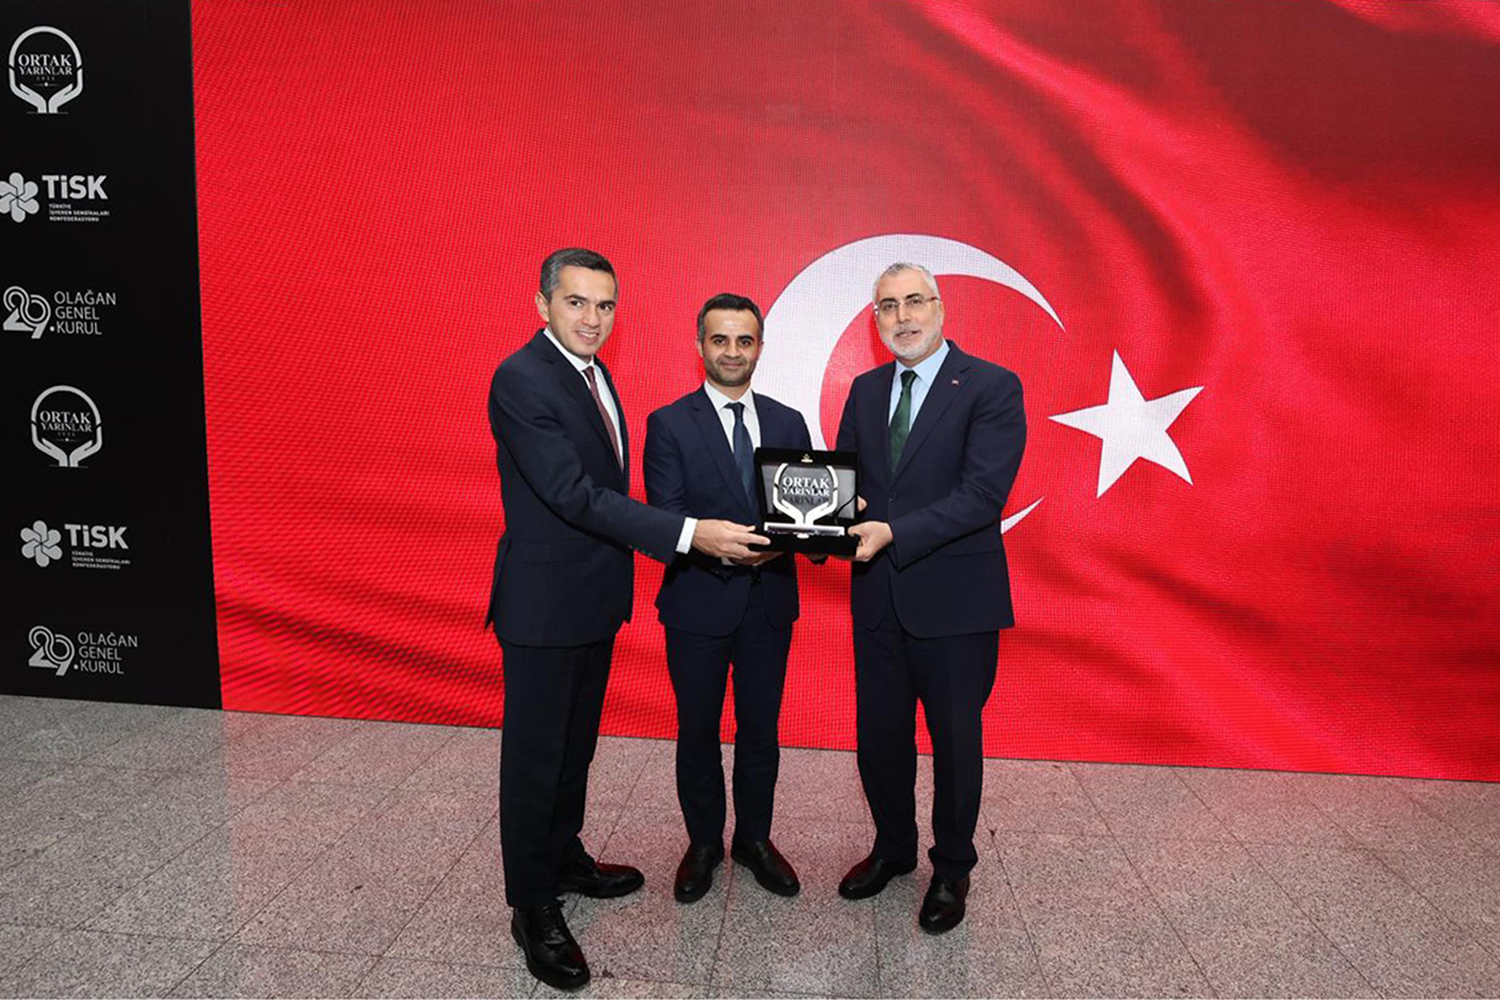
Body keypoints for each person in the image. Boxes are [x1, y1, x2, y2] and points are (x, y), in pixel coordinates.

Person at [487, 249, 766, 990]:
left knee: (574, 749)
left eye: (605, 306)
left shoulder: (594, 374)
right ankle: (531, 905)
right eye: (577, 302)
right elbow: (572, 494)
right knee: (535, 760)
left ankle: (564, 857)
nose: (593, 319)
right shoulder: (521, 378)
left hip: (593, 601)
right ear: (542, 304)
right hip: (543, 606)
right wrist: (689, 534)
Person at [835, 262, 1026, 933]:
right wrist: (825, 518)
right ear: (876, 320)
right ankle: (893, 849)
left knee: (954, 741)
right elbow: (848, 483)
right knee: (880, 739)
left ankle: (951, 868)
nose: (903, 316)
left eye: (914, 301)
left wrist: (893, 531)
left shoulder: (992, 386)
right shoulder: (864, 390)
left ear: (940, 308)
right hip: (878, 599)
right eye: (888, 306)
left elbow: (982, 495)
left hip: (955, 600)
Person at [642, 293, 813, 905]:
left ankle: (755, 840)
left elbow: (807, 512)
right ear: (700, 346)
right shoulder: (668, 423)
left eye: (744, 340)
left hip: (769, 603)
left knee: (761, 729)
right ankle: (704, 844)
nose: (732, 352)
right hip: (697, 603)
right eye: (720, 340)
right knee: (698, 730)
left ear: (760, 347)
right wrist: (724, 549)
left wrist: (827, 530)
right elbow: (666, 517)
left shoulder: (790, 421)